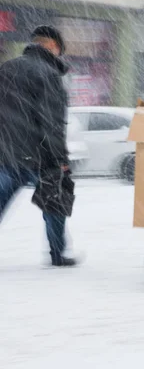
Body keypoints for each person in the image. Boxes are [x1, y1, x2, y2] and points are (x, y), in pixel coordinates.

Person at [0, 25, 77, 267]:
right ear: (53, 47)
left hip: (6, 154)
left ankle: (57, 252)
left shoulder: (6, 69)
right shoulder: (48, 74)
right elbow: (52, 123)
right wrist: (60, 159)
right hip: (40, 156)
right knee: (55, 200)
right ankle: (57, 253)